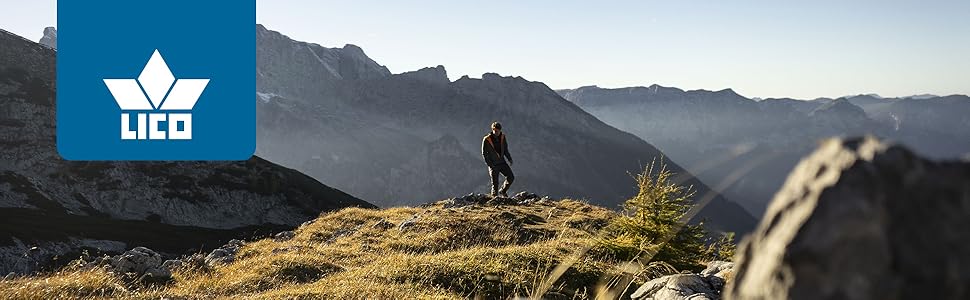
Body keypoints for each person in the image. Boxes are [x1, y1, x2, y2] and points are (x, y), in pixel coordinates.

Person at [482, 121, 514, 197]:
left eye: (498, 131)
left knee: (511, 177)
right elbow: (484, 154)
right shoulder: (487, 139)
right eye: (495, 131)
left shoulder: (503, 137)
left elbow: (505, 149)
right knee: (495, 184)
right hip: (493, 165)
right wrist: (490, 164)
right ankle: (494, 201)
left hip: (502, 162)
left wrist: (509, 159)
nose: (497, 132)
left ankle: (503, 191)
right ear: (492, 129)